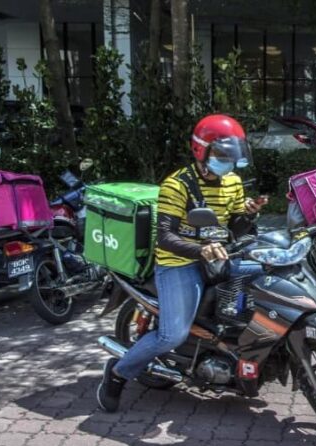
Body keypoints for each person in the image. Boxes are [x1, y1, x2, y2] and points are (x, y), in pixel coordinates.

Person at [97, 114, 268, 412]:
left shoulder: (232, 182)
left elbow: (233, 227)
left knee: (267, 275)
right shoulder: (177, 185)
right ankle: (117, 374)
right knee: (171, 335)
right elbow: (164, 237)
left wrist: (249, 213)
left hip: (218, 258)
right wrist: (201, 250)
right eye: (222, 155)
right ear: (201, 150)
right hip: (178, 264)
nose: (228, 161)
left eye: (232, 155)